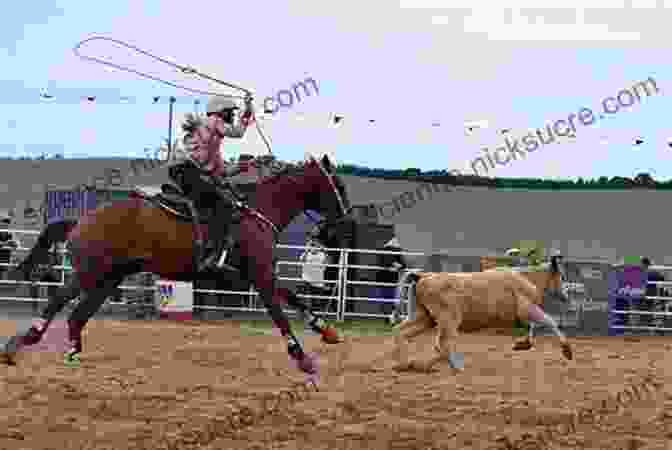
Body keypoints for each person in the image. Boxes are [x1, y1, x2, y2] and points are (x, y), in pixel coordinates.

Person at [169, 95, 256, 271]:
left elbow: (221, 171)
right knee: (222, 206)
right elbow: (238, 132)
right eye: (230, 113)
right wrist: (247, 110)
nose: (232, 117)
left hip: (182, 170)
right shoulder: (213, 121)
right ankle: (211, 256)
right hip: (187, 171)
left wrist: (244, 166)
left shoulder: (211, 140)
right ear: (221, 112)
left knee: (214, 201)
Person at [298, 231, 332, 313]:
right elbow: (302, 260)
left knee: (316, 302)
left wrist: (324, 250)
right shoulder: (305, 254)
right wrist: (307, 249)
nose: (313, 246)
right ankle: (304, 313)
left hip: (318, 281)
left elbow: (329, 262)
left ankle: (315, 315)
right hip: (306, 279)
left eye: (315, 244)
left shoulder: (322, 255)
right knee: (304, 297)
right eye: (312, 245)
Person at [641, 257, 665, 333]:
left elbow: (661, 278)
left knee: (652, 311)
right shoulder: (651, 271)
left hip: (652, 293)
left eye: (642, 264)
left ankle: (656, 328)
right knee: (651, 311)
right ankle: (656, 328)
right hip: (651, 293)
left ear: (644, 264)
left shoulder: (649, 271)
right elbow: (662, 278)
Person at [0, 215, 19, 280]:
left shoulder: (11, 234)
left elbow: (17, 244)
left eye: (7, 222)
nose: (5, 224)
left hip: (6, 260)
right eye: (3, 221)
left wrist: (13, 243)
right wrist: (6, 243)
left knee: (3, 280)